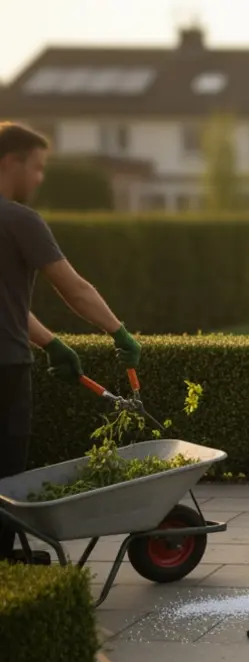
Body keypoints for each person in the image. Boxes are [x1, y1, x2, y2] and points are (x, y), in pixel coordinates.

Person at [0, 122, 141, 564]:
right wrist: (118, 331)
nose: (40, 178)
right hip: (4, 370)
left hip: (14, 352)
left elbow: (6, 304)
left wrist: (51, 342)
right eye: (37, 168)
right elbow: (74, 288)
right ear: (11, 163)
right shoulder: (19, 220)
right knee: (5, 472)